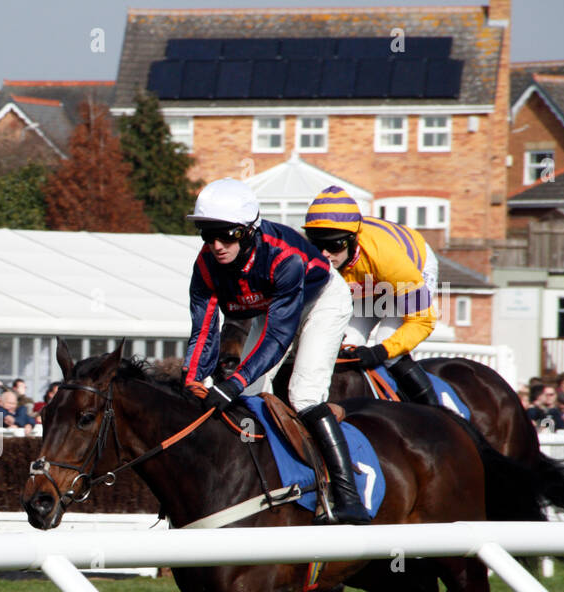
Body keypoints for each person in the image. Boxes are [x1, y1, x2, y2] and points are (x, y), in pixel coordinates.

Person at [183, 177, 368, 524]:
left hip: (322, 302)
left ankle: (346, 495)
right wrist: (193, 380)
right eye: (209, 235)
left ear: (250, 231)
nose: (217, 246)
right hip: (275, 308)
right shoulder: (206, 266)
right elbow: (204, 327)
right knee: (247, 396)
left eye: (228, 235)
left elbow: (278, 337)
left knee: (304, 395)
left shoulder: (285, 258)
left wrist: (232, 382)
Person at [303, 185, 440, 405]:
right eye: (317, 244)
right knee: (344, 345)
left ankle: (436, 413)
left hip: (411, 265)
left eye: (334, 245)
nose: (324, 254)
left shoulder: (386, 259)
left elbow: (422, 321)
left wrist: (381, 352)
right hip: (367, 282)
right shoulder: (311, 258)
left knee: (388, 343)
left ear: (353, 240)